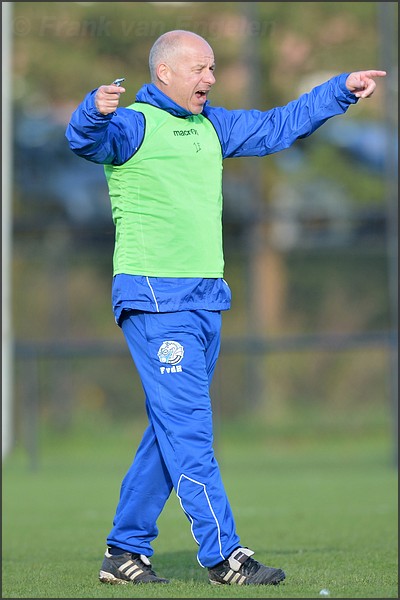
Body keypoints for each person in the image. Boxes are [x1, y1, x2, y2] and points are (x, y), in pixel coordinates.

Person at [65, 29, 386, 586]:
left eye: (213, 69)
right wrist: (92, 112)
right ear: (164, 73)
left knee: (170, 429)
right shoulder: (134, 124)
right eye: (199, 69)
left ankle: (124, 551)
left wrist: (340, 90)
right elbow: (85, 141)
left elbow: (277, 126)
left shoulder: (211, 126)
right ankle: (225, 557)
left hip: (205, 302)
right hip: (157, 301)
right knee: (189, 430)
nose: (210, 79)